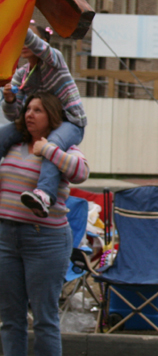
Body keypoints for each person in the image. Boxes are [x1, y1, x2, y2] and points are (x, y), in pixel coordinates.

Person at [0, 92, 89, 356]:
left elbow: (81, 172)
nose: (29, 114)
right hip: (6, 238)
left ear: (52, 116)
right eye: (28, 109)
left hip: (45, 240)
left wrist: (48, 149)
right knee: (10, 318)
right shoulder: (13, 145)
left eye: (37, 110)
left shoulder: (65, 148)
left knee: (44, 319)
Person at [1, 23, 87, 218]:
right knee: (3, 134)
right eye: (20, 40)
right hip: (42, 124)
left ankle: (44, 195)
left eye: (27, 39)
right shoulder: (21, 75)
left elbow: (35, 44)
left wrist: (18, 21)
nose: (23, 44)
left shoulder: (55, 60)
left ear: (44, 42)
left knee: (52, 143)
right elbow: (15, 116)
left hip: (70, 122)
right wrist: (10, 100)